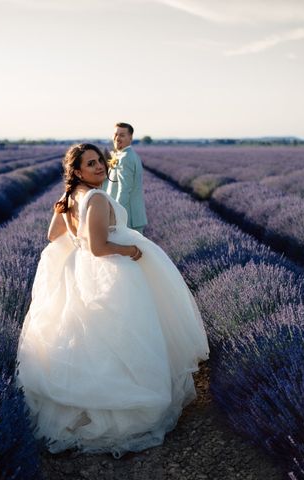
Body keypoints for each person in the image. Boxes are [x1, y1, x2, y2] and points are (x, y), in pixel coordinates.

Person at [16, 143, 209, 458]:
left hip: (78, 272)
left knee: (88, 335)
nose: (99, 167)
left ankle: (83, 402)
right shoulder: (96, 198)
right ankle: (125, 407)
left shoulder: (69, 198)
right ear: (77, 171)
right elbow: (98, 248)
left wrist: (61, 212)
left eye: (100, 162)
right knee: (121, 335)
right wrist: (131, 251)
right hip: (104, 272)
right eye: (90, 164)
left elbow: (53, 236)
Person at [105, 122, 147, 234]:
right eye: (115, 134)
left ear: (130, 138)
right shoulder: (124, 155)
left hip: (127, 219)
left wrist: (115, 216)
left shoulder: (126, 158)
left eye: (122, 135)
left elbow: (124, 190)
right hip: (128, 217)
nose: (117, 138)